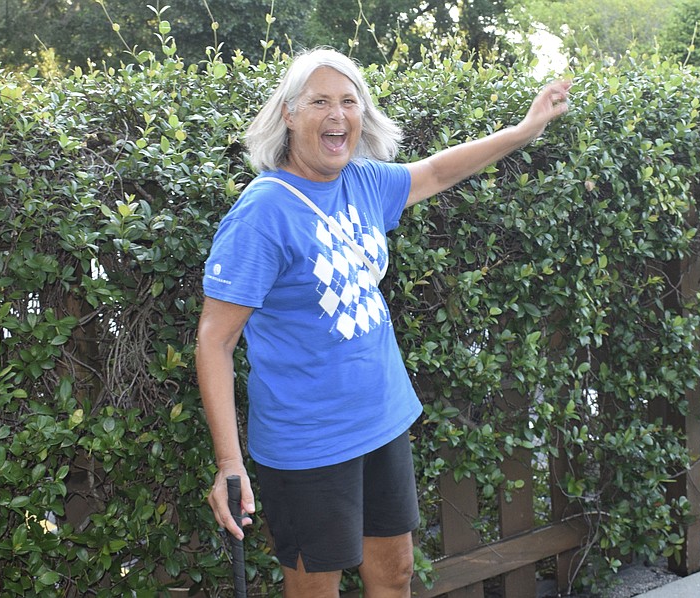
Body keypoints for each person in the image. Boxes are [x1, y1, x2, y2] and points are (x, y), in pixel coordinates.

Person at [196, 47, 570, 597]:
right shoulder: (262, 212)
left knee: (394, 577)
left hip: (382, 423)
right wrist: (229, 463)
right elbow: (214, 341)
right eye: (319, 101)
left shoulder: (364, 182)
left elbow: (438, 170)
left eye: (349, 102)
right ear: (289, 115)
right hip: (309, 443)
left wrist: (522, 130)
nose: (337, 114)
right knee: (315, 590)